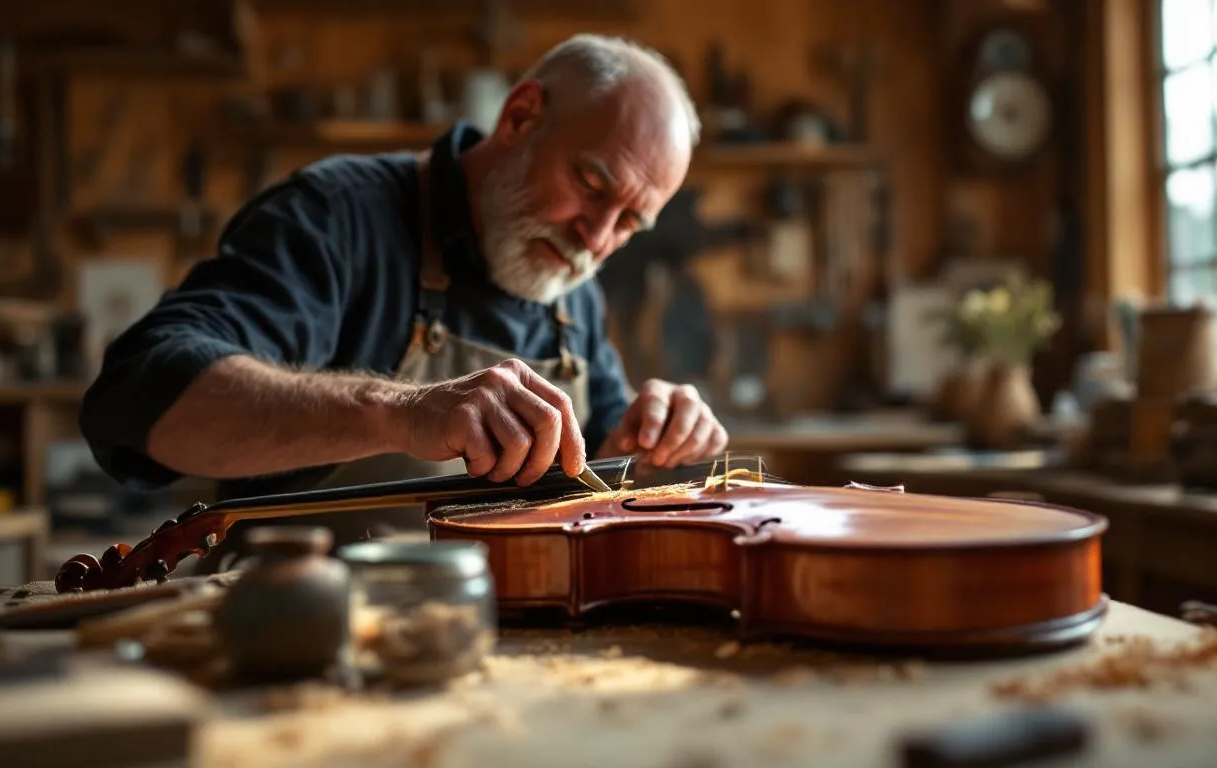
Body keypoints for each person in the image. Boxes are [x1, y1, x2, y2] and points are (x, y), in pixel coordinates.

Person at [78, 34, 730, 556]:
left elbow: (595, 472)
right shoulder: (334, 217)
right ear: (520, 115)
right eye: (591, 182)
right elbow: (141, 393)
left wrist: (649, 442)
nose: (596, 238)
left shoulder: (570, 281)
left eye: (629, 223)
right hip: (310, 641)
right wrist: (398, 412)